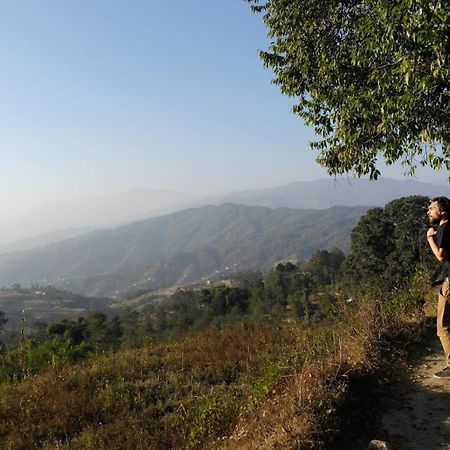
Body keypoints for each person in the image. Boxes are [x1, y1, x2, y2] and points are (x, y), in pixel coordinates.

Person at [427, 196, 450, 379]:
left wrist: (430, 240)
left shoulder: (444, 228)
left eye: (433, 207)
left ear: (442, 211)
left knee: (442, 327)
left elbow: (442, 257)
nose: (429, 211)